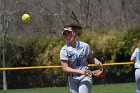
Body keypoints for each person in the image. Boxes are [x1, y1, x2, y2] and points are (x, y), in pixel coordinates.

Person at [59, 24, 103, 93]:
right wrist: (80, 71)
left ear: (73, 33)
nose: (67, 36)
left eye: (69, 33)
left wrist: (100, 65)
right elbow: (65, 68)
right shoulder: (64, 50)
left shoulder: (84, 46)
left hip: (85, 77)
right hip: (73, 79)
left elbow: (91, 59)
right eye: (65, 35)